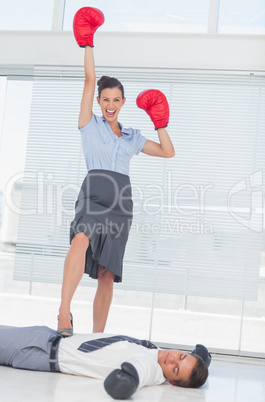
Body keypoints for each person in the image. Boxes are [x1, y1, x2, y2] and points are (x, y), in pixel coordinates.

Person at [57, 7, 175, 336]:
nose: (110, 104)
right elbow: (89, 78)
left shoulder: (133, 137)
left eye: (116, 99)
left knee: (108, 272)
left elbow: (168, 152)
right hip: (94, 193)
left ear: (123, 102)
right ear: (98, 101)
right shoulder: (88, 125)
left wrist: (160, 122)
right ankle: (64, 314)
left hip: (122, 203)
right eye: (105, 99)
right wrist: (87, 43)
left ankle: (97, 337)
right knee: (80, 240)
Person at [0, 326, 211, 400]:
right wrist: (201, 357)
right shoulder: (154, 350)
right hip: (51, 335)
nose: (172, 359)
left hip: (40, 350)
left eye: (175, 369)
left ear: (172, 382)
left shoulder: (151, 367)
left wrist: (127, 381)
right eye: (182, 356)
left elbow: (137, 373)